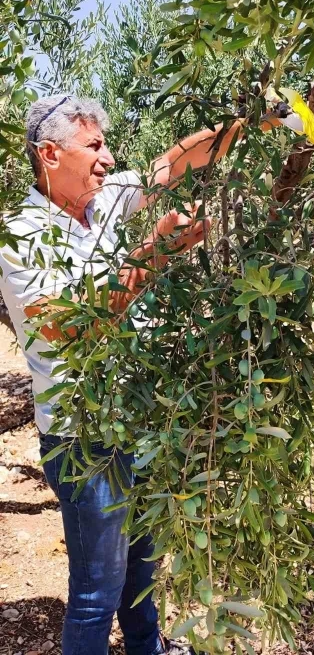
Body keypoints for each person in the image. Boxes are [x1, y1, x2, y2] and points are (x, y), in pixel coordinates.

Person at [0, 96, 241, 655]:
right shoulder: (18, 234)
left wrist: (251, 118)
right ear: (51, 153)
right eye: (96, 146)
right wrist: (154, 253)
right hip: (81, 437)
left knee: (141, 573)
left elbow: (171, 165)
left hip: (138, 417)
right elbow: (70, 329)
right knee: (95, 591)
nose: (108, 159)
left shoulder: (103, 200)